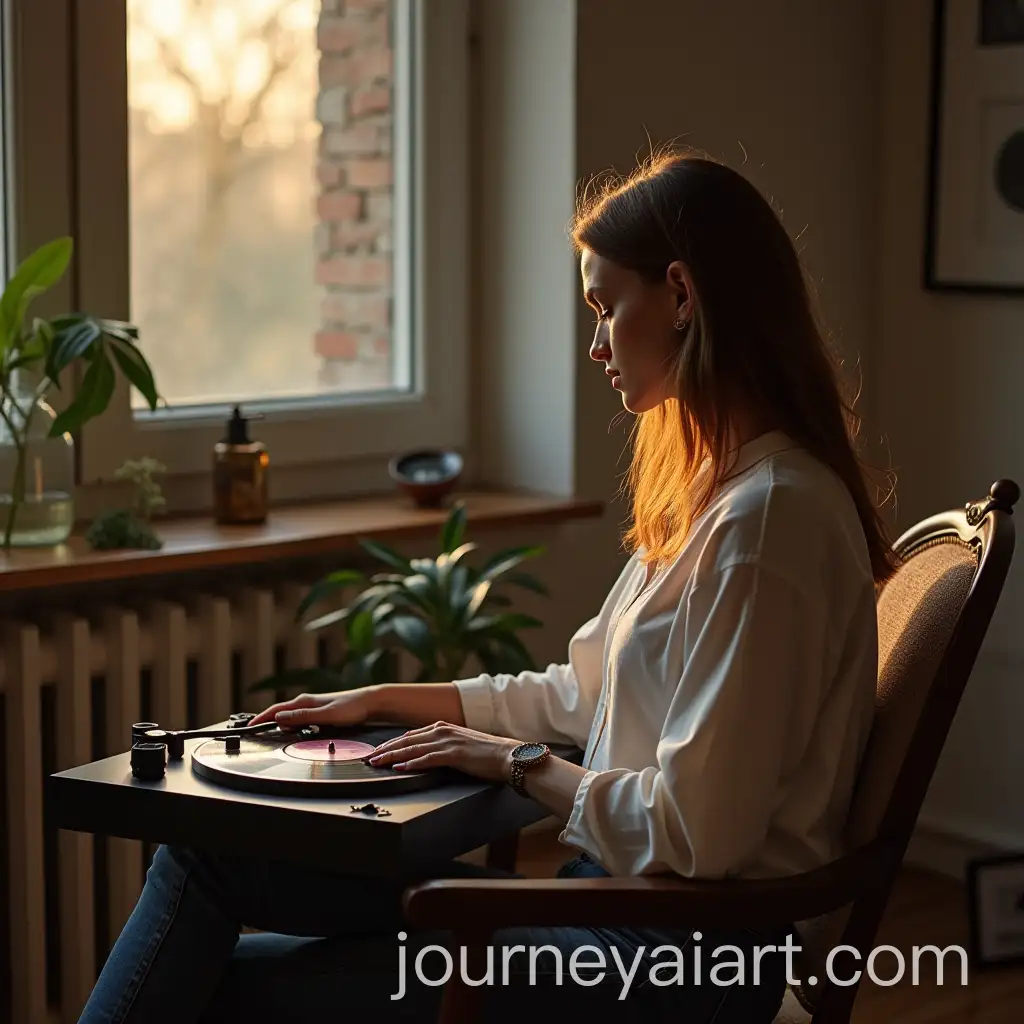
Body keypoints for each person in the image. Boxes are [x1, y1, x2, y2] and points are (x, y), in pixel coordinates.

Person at [78, 149, 894, 1024]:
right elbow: (582, 695)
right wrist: (386, 699)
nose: (595, 344)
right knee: (206, 857)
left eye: (606, 307)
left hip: (672, 963)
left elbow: (699, 835)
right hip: (615, 912)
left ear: (682, 296)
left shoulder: (768, 522)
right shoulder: (723, 499)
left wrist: (513, 763)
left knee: (220, 989)